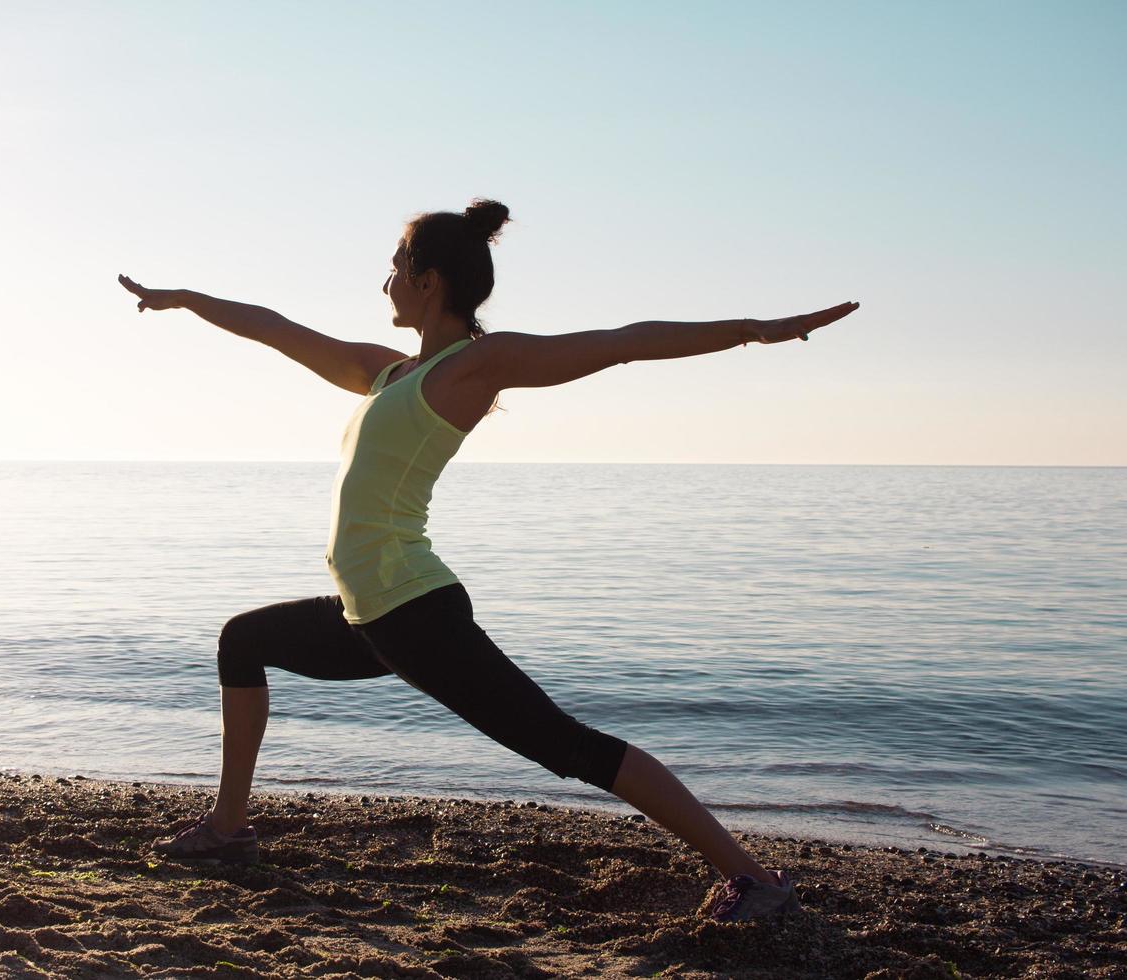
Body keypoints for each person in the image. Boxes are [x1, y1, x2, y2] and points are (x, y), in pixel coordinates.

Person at [118, 198, 859, 922]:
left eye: (395, 268)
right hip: (370, 614)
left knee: (567, 747)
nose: (385, 284)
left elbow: (622, 339)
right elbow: (276, 330)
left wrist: (752, 331)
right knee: (243, 640)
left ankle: (753, 877)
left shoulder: (477, 366)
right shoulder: (387, 375)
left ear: (428, 280)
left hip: (414, 613)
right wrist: (188, 299)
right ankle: (227, 830)